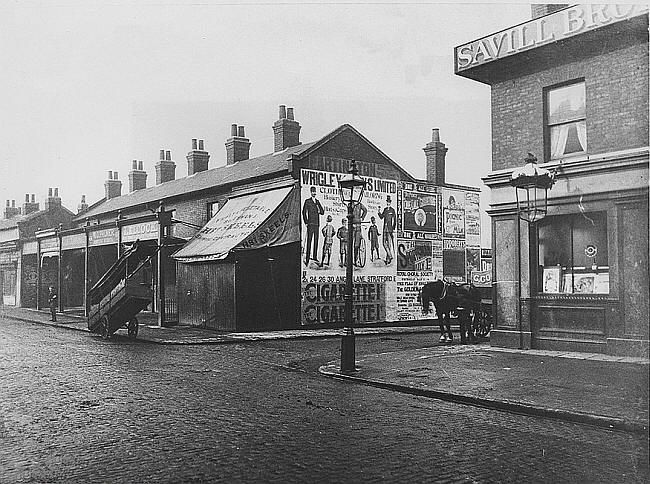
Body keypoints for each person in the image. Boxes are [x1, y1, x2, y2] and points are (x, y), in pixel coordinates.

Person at [302, 186, 324, 266]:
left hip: (317, 224)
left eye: (315, 192)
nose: (314, 193)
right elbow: (304, 212)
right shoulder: (307, 201)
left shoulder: (317, 202)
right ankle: (307, 259)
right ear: (310, 192)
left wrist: (319, 208)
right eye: (313, 192)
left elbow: (322, 212)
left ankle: (314, 256)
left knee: (316, 241)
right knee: (309, 241)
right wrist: (306, 222)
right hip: (310, 224)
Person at [378, 195, 396, 265]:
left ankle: (387, 260)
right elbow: (381, 217)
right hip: (384, 229)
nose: (388, 203)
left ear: (390, 203)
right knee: (383, 243)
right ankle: (390, 256)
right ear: (386, 202)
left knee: (388, 244)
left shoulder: (392, 210)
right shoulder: (385, 209)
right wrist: (379, 211)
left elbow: (395, 220)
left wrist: (393, 228)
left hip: (389, 229)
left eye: (389, 202)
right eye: (387, 202)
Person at [352, 201, 368, 267]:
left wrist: (362, 218)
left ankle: (355, 260)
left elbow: (365, 210)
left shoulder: (360, 205)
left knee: (357, 244)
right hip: (351, 226)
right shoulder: (351, 204)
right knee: (349, 243)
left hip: (358, 226)